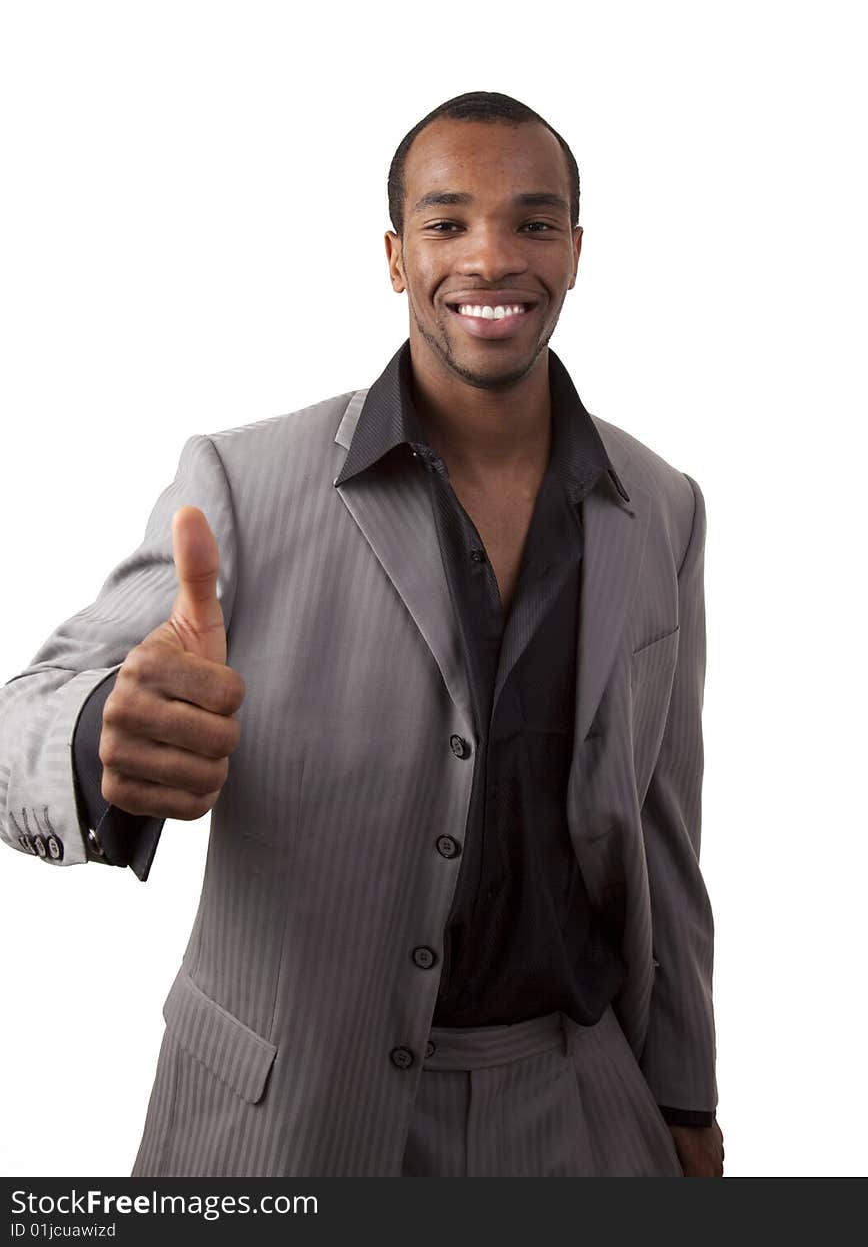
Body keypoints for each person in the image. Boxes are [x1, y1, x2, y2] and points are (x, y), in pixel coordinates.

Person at [0, 90, 723, 1177]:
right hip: (286, 1122)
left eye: (532, 222)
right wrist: (105, 728)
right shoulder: (244, 482)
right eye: (446, 223)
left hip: (575, 1109)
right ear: (395, 257)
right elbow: (24, 709)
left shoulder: (661, 504)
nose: (490, 257)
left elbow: (665, 833)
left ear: (575, 251)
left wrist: (685, 1096)